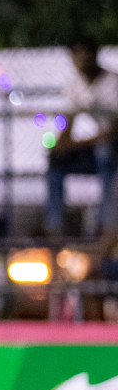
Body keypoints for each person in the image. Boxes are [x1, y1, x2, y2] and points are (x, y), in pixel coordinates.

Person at [45, 35, 118, 238]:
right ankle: (54, 227)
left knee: (105, 151)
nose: (81, 60)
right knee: (55, 158)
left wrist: (75, 143)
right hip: (91, 147)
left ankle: (104, 227)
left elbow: (112, 132)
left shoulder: (112, 82)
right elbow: (68, 125)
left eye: (85, 54)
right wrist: (62, 145)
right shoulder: (74, 84)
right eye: (76, 55)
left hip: (111, 149)